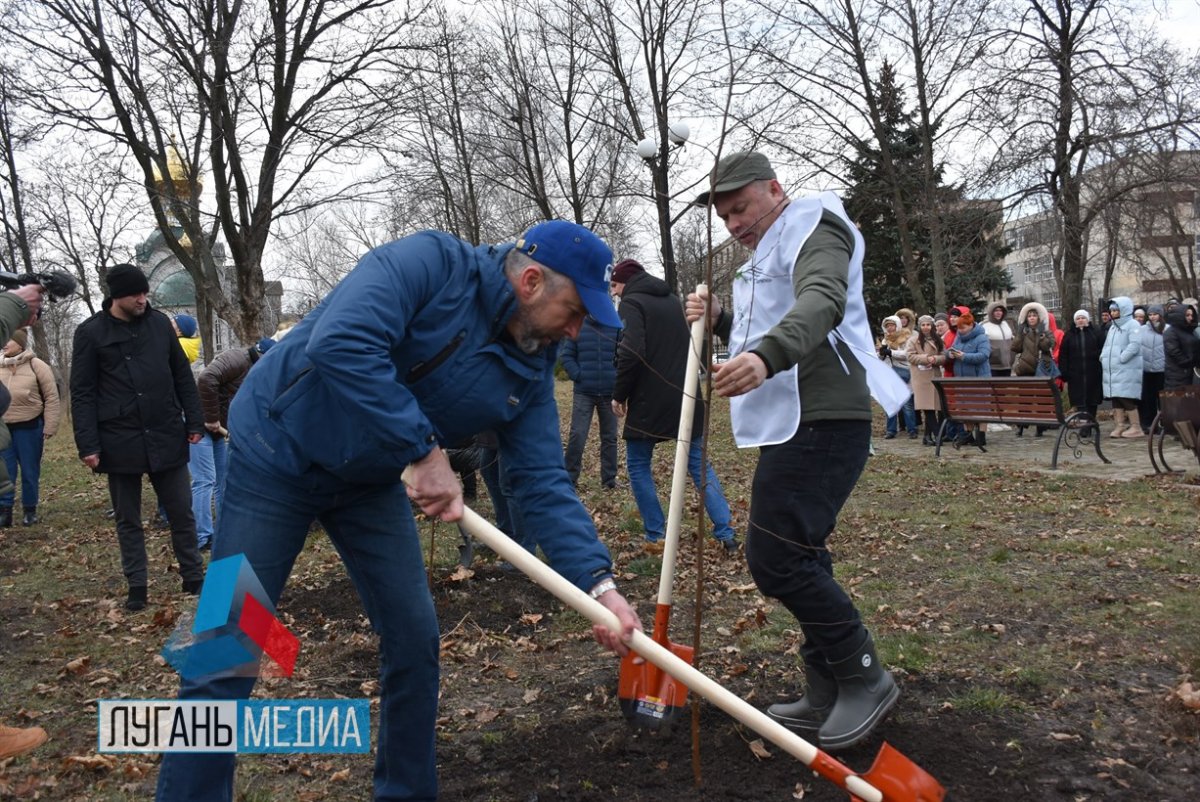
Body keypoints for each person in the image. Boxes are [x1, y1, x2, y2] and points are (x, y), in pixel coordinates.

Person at [154, 221, 641, 801]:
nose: (579, 327)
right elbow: (340, 340)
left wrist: (599, 584)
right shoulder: (429, 262)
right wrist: (423, 449)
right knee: (225, 646)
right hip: (273, 455)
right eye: (577, 309)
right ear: (531, 281)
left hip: (368, 479)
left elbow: (541, 482)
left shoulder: (532, 367)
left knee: (414, 637)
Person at [686, 151, 908, 751]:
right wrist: (722, 322)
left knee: (776, 557)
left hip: (826, 419)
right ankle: (827, 686)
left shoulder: (817, 223)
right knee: (798, 551)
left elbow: (822, 301)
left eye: (742, 207)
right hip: (797, 421)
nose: (733, 224)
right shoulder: (769, 249)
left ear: (775, 190)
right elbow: (776, 316)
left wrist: (765, 356)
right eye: (725, 215)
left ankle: (864, 677)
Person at [70, 264, 206, 612]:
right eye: (136, 294)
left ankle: (193, 576)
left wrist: (194, 420)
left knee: (181, 511)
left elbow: (182, 376)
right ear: (117, 296)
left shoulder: (160, 324)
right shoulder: (90, 333)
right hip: (118, 438)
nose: (143, 299)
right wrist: (88, 444)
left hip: (165, 430)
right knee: (128, 519)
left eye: (146, 293)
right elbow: (82, 392)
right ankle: (137, 586)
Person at [609, 259, 739, 555]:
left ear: (625, 282)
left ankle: (656, 535)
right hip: (687, 395)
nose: (614, 294)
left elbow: (630, 352)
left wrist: (619, 394)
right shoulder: (671, 299)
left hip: (648, 401)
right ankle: (726, 533)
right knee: (699, 464)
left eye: (615, 286)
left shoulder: (631, 303)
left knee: (638, 465)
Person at [194, 337, 276, 550]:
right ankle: (203, 537)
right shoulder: (236, 358)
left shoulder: (255, 369)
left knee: (224, 481)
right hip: (198, 426)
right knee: (205, 480)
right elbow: (206, 378)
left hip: (218, 430)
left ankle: (223, 531)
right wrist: (211, 418)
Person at [0, 329, 60, 526]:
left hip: (30, 428)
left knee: (29, 470)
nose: (5, 342)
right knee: (5, 473)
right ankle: (5, 510)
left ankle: (30, 510)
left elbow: (51, 396)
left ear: (20, 343)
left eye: (10, 339)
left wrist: (49, 426)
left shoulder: (37, 365)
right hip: (3, 429)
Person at [559, 314, 619, 489]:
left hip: (609, 393)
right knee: (577, 435)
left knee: (610, 438)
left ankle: (609, 481)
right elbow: (566, 356)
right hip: (584, 392)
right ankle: (569, 478)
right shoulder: (577, 326)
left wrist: (617, 380)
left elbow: (623, 355)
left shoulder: (615, 326)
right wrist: (579, 376)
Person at [945, 310, 991, 446]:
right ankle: (968, 434)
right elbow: (950, 350)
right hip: (962, 379)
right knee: (965, 408)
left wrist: (964, 356)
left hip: (979, 378)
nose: (961, 330)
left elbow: (983, 355)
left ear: (971, 325)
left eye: (963, 327)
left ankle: (981, 436)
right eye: (959, 328)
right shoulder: (959, 336)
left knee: (981, 408)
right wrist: (950, 354)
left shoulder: (981, 337)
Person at [1099, 296, 1143, 438]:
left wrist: (1122, 357)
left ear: (1123, 310)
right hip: (1113, 369)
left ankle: (1136, 427)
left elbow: (1135, 345)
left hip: (1126, 368)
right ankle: (1120, 425)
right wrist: (1103, 357)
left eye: (1115, 310)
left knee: (1126, 397)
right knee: (1116, 397)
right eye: (1111, 310)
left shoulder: (1132, 324)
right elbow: (1107, 346)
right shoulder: (1113, 327)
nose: (1112, 313)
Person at [1010, 301, 1056, 437]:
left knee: (1041, 399)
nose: (1031, 318)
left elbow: (1049, 346)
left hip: (1041, 368)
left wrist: (1042, 336)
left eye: (1034, 315)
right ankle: (1022, 426)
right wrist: (1019, 334)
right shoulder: (1023, 332)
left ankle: (1040, 426)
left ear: (1039, 317)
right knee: (1024, 399)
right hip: (1025, 369)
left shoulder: (1046, 331)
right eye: (1029, 315)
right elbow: (1015, 348)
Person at [1058, 310, 1103, 424]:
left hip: (1093, 372)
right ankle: (1084, 426)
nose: (1080, 320)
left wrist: (1096, 355)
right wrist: (1064, 372)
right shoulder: (1069, 335)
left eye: (1083, 318)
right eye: (1078, 318)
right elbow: (1063, 355)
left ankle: (1091, 423)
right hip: (1075, 374)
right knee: (1080, 402)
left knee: (1092, 401)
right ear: (1075, 321)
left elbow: (1103, 350)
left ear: (1087, 319)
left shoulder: (1096, 333)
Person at [906, 315, 944, 446]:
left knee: (933, 406)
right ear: (919, 326)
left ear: (932, 326)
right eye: (923, 325)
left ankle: (927, 437)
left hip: (934, 375)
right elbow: (910, 356)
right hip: (920, 377)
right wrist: (926, 358)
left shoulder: (937, 339)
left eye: (928, 324)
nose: (925, 327)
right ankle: (938, 435)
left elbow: (943, 356)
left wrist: (936, 360)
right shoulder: (913, 340)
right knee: (927, 407)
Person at [879, 315, 917, 439]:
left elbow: (907, 354)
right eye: (887, 326)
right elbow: (881, 359)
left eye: (892, 325)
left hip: (903, 373)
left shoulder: (905, 337)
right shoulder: (885, 340)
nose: (890, 328)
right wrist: (881, 354)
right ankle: (891, 430)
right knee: (890, 403)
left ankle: (912, 429)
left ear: (897, 325)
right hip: (889, 374)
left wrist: (892, 352)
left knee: (907, 404)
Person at [1137, 304, 1166, 434]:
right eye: (1150, 314)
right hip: (1146, 369)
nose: (1153, 317)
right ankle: (1148, 424)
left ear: (1161, 315)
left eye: (1155, 314)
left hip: (1162, 370)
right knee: (1147, 399)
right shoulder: (1142, 329)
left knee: (1162, 399)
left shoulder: (1167, 329)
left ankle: (1164, 424)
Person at [1163, 302, 1198, 390]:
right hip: (1177, 375)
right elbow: (1174, 351)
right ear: (1179, 316)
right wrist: (1189, 362)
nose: (1191, 318)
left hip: (1191, 372)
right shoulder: (1171, 332)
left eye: (1192, 315)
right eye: (1187, 315)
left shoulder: (1190, 331)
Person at [983, 301, 1014, 377]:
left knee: (1005, 388)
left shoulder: (1006, 324)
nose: (998, 313)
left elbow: (1012, 341)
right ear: (991, 312)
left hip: (1007, 366)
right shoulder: (984, 326)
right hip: (993, 367)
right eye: (996, 310)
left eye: (1000, 310)